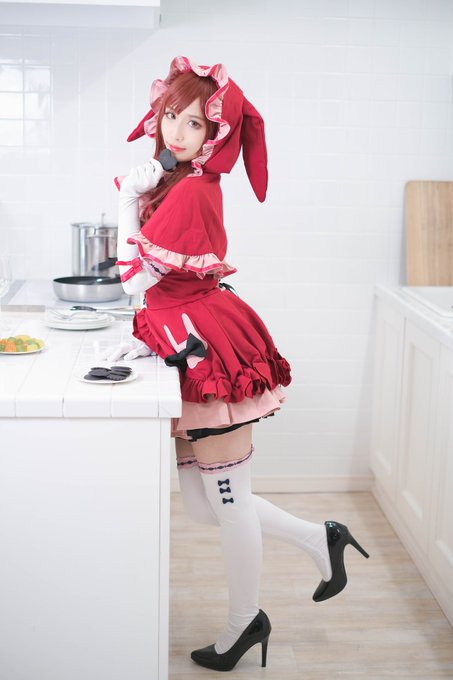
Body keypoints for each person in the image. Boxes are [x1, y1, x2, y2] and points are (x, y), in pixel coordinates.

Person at [109, 56, 369, 672]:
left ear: (214, 134)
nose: (177, 132)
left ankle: (244, 621)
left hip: (208, 350)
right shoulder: (174, 180)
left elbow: (133, 279)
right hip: (184, 342)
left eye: (194, 123)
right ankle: (321, 537)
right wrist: (149, 337)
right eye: (171, 116)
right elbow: (159, 285)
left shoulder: (193, 190)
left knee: (227, 504)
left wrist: (125, 199)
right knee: (206, 507)